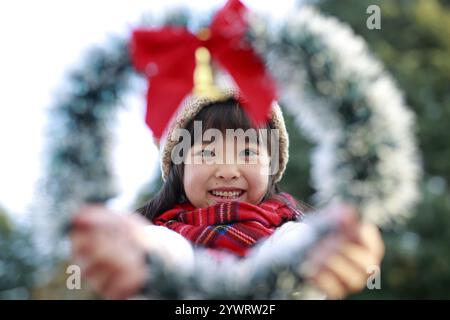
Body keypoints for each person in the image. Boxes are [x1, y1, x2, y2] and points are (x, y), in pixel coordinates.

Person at [70, 95, 385, 300]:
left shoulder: (291, 232)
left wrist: (317, 255)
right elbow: (166, 253)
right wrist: (141, 256)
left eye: (248, 152)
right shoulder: (163, 235)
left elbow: (295, 257)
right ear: (178, 168)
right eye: (207, 152)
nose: (228, 171)